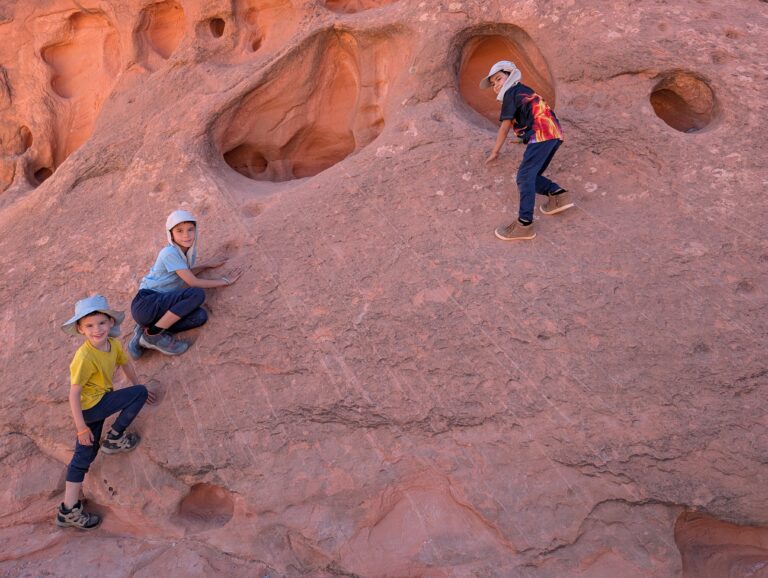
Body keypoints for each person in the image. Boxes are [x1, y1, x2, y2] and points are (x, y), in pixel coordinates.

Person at [58, 295, 156, 530]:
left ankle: (68, 511)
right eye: (89, 326)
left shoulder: (114, 345)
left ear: (111, 323)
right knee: (138, 393)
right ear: (80, 330)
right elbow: (74, 394)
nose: (97, 329)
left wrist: (136, 383)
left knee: (84, 456)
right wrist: (81, 427)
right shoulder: (84, 357)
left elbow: (126, 364)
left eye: (101, 323)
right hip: (90, 408)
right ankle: (115, 438)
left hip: (96, 403)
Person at [128, 209, 242, 357]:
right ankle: (152, 335)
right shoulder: (169, 252)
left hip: (160, 307)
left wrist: (207, 265)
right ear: (171, 234)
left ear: (196, 230)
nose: (186, 235)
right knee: (196, 294)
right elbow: (192, 281)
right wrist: (225, 281)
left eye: (190, 229)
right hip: (146, 303)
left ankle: (146, 330)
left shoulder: (187, 252)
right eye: (179, 231)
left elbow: (184, 274)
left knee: (200, 316)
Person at [481, 60, 573, 241]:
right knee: (531, 176)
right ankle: (559, 196)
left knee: (524, 177)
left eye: (498, 79)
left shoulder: (511, 92)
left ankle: (525, 224)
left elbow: (505, 126)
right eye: (493, 84)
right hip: (553, 134)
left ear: (510, 74)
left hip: (542, 134)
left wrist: (495, 151)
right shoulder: (522, 91)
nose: (496, 85)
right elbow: (529, 115)